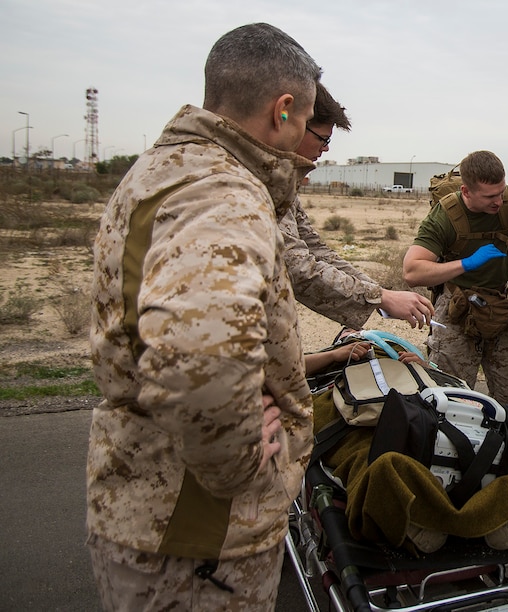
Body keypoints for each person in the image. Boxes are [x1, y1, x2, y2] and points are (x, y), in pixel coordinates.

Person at [87, 23, 321, 611]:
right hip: (199, 534)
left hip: (153, 505)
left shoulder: (166, 171)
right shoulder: (223, 192)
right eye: (306, 121)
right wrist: (240, 466)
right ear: (283, 109)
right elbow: (199, 356)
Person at [304, 338, 508, 556]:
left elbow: (454, 389)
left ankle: (421, 516)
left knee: (457, 450)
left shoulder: (411, 361)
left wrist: (426, 367)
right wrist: (335, 355)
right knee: (381, 463)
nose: (366, 344)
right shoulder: (333, 362)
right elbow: (288, 370)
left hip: (423, 421)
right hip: (356, 423)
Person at [282, 82, 434, 330]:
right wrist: (380, 297)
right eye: (323, 138)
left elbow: (315, 249)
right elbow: (298, 268)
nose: (327, 148)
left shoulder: (282, 184)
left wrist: (380, 293)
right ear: (288, 121)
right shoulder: (250, 180)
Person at [400, 150, 508, 407]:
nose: (499, 202)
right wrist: (465, 264)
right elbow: (412, 271)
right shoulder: (446, 216)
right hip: (457, 307)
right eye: (490, 197)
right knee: (451, 395)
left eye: (501, 193)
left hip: (501, 305)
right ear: (466, 192)